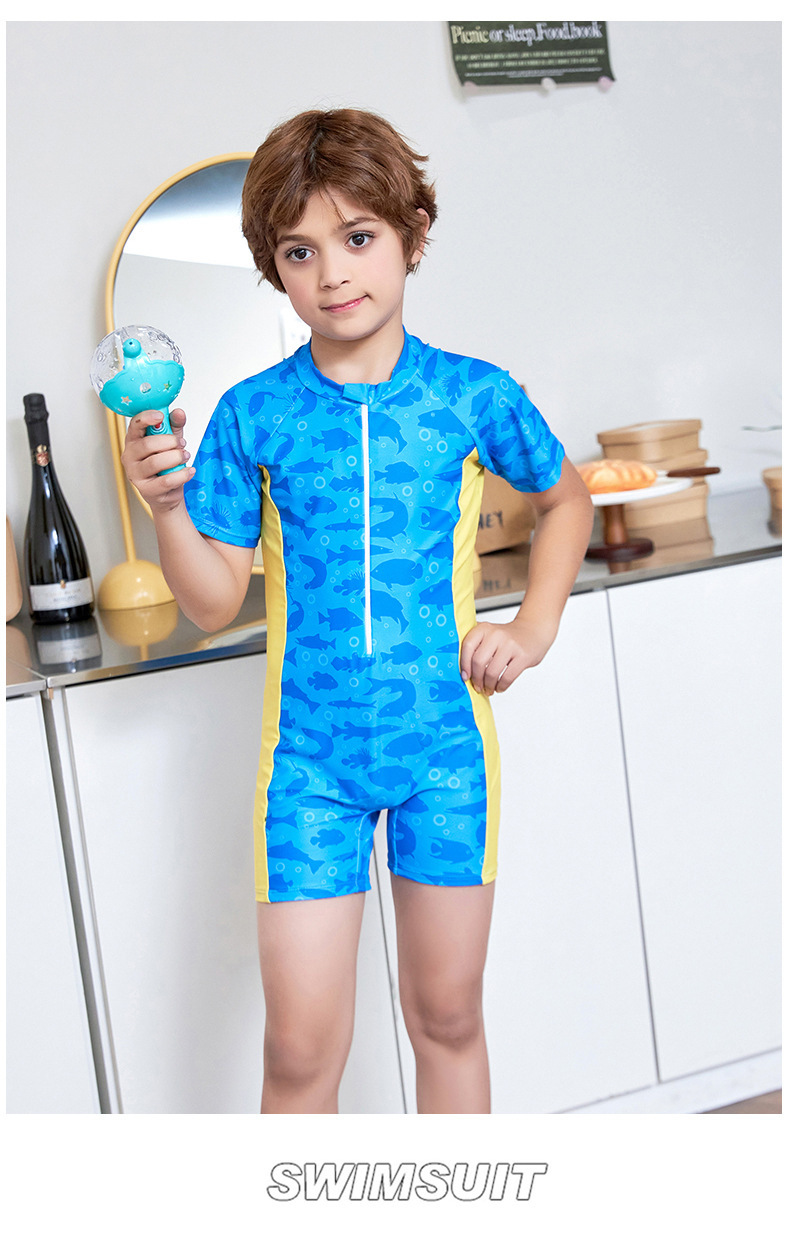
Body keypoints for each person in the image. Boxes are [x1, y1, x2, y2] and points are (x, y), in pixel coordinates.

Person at [121, 107, 594, 1115]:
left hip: (445, 752)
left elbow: (567, 499)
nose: (332, 273)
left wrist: (532, 628)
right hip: (308, 769)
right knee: (298, 1054)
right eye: (300, 251)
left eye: (358, 237)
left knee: (448, 1019)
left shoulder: (473, 395)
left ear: (413, 235)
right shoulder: (253, 413)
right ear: (274, 268)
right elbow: (211, 601)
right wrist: (165, 508)